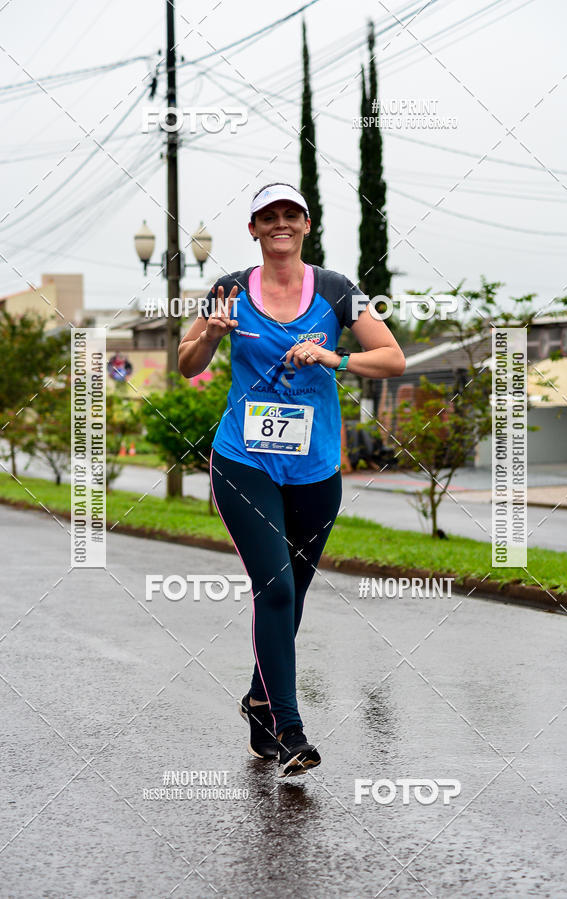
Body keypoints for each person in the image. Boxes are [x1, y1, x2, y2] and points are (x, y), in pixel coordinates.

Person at [179, 182, 405, 777]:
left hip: (315, 468)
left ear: (306, 224)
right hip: (244, 461)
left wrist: (337, 358)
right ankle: (290, 729)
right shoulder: (228, 290)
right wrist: (211, 334)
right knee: (274, 588)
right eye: (267, 217)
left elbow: (393, 358)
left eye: (291, 215)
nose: (280, 224)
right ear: (253, 229)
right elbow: (187, 364)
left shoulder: (337, 291)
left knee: (291, 595)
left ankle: (258, 698)